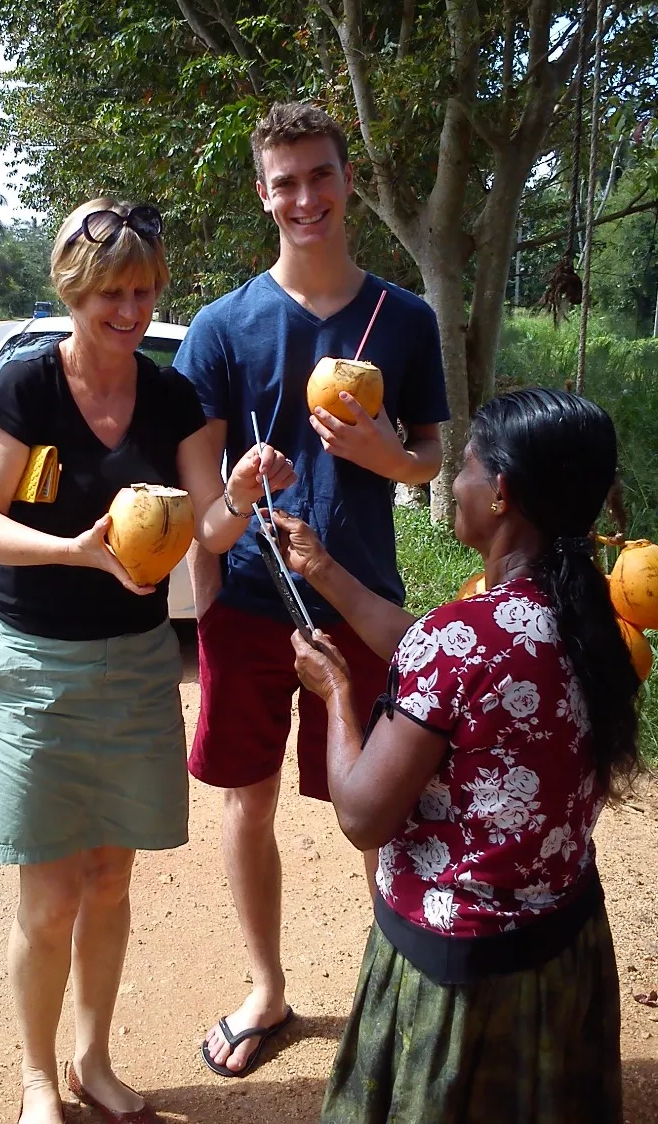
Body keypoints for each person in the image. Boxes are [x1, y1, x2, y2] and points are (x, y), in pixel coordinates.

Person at [0, 198, 294, 1124]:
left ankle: (91, 1060)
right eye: (113, 291)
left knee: (110, 879)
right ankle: (34, 1080)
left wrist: (241, 488)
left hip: (139, 667)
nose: (131, 309)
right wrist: (75, 551)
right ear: (74, 286)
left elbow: (210, 529)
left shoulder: (173, 394)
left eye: (144, 290)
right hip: (36, 673)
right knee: (51, 891)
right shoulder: (26, 386)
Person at [173, 101, 449, 1076]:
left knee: (378, 811)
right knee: (245, 804)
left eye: (319, 175)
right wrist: (239, 495)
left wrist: (386, 453)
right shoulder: (220, 328)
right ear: (262, 193)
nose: (304, 197)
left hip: (364, 600)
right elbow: (201, 516)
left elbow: (431, 460)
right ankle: (267, 987)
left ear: (346, 180)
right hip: (250, 606)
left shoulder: (405, 320)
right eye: (284, 181)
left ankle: (395, 987)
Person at [279, 387, 640, 1123]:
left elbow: (363, 815)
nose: (458, 482)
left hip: (463, 975)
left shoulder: (464, 638)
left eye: (468, 467)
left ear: (501, 494)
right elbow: (447, 661)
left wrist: (338, 696)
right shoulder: (589, 610)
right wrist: (322, 571)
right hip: (565, 940)